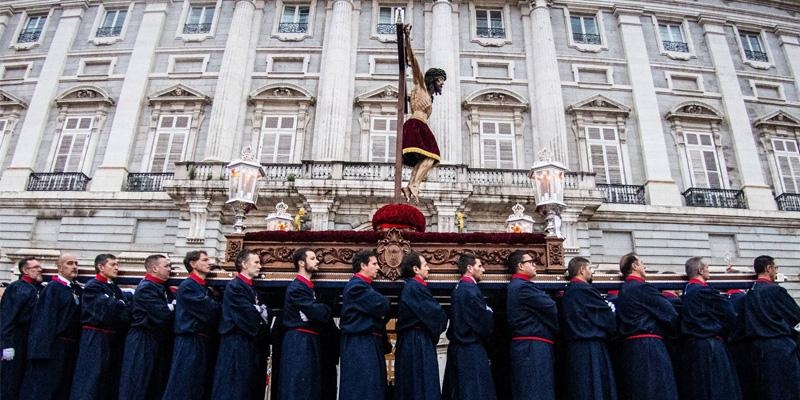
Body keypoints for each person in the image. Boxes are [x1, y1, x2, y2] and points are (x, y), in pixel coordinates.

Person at [616, 252, 679, 400]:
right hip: (649, 346)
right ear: (635, 266)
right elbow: (670, 313)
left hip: (631, 347)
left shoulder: (624, 289)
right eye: (642, 262)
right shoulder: (642, 288)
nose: (645, 266)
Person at [69, 254, 131, 400]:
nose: (117, 268)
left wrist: (119, 305)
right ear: (101, 267)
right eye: (113, 264)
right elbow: (106, 310)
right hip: (94, 337)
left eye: (117, 264)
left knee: (105, 378)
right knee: (90, 376)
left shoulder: (114, 288)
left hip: (110, 338)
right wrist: (119, 304)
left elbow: (125, 312)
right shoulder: (93, 286)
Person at [21, 253, 82, 400]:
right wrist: (40, 351)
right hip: (53, 346)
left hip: (70, 346)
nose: (74, 267)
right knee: (46, 387)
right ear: (60, 268)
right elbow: (44, 319)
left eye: (75, 263)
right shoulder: (53, 289)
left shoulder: (76, 289)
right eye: (69, 263)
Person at [210, 249, 270, 400]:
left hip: (247, 341)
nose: (260, 266)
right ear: (244, 264)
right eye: (256, 262)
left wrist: (258, 312)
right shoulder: (236, 286)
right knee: (233, 382)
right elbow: (247, 314)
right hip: (236, 341)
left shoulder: (250, 287)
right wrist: (258, 313)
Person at [679, 256, 740, 400]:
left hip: (693, 346)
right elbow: (730, 314)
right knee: (718, 387)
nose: (709, 270)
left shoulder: (687, 291)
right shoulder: (704, 291)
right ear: (700, 270)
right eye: (707, 267)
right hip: (710, 344)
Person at [163, 250, 222, 400]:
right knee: (184, 380)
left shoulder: (202, 287)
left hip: (201, 339)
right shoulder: (189, 286)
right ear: (193, 264)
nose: (209, 263)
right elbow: (209, 310)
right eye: (205, 260)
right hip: (189, 339)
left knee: (197, 383)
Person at [742, 255, 800, 400]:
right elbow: (795, 316)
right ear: (769, 268)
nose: (775, 271)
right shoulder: (775, 290)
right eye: (775, 268)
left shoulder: (750, 293)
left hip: (758, 348)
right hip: (781, 347)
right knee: (787, 389)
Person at [118, 254, 175, 400]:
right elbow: (161, 314)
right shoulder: (146, 288)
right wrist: (172, 307)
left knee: (152, 382)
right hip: (142, 339)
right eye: (166, 266)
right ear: (155, 268)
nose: (170, 269)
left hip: (154, 338)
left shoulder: (160, 287)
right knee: (137, 380)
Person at [279, 248, 333, 400]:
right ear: (301, 263)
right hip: (299, 342)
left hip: (308, 340)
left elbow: (316, 312)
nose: (317, 261)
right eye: (313, 258)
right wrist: (322, 308)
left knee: (310, 384)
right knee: (299, 383)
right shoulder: (297, 288)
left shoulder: (307, 288)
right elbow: (319, 313)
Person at [400, 24, 446, 203]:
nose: (442, 83)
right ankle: (414, 185)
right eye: (440, 79)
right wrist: (407, 39)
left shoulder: (431, 98)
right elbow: (414, 62)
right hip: (415, 124)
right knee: (432, 156)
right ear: (432, 79)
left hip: (421, 126)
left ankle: (411, 185)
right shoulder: (419, 85)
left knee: (429, 158)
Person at [561, 256, 617, 400]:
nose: (591, 273)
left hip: (575, 347)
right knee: (594, 387)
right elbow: (606, 314)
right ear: (581, 270)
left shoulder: (569, 290)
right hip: (590, 346)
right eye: (590, 269)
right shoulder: (583, 289)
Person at [506, 250, 559, 400]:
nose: (534, 265)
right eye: (530, 262)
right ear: (520, 266)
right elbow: (550, 306)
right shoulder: (523, 287)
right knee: (536, 390)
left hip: (530, 346)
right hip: (532, 347)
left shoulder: (520, 286)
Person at [442, 253, 496, 400]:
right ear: (470, 268)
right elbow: (483, 319)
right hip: (471, 348)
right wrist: (489, 312)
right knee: (475, 390)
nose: (483, 270)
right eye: (480, 266)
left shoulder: (459, 288)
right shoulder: (470, 289)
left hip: (459, 348)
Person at [394, 252, 447, 400]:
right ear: (416, 269)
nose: (429, 269)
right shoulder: (414, 287)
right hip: (416, 343)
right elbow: (436, 313)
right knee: (420, 384)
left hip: (415, 340)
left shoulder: (414, 287)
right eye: (425, 265)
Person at [338, 250, 390, 400]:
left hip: (366, 342)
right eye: (374, 264)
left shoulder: (364, 286)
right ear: (363, 266)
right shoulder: (356, 286)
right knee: (363, 386)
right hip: (359, 344)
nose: (378, 267)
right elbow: (383, 304)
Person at [0, 257, 43, 400]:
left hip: (29, 340)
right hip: (16, 339)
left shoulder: (38, 288)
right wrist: (7, 345)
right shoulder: (18, 288)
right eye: (36, 267)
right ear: (25, 270)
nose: (40, 269)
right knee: (10, 379)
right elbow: (8, 317)